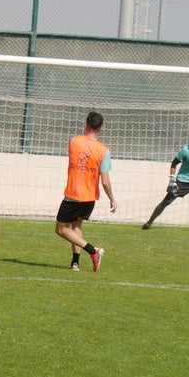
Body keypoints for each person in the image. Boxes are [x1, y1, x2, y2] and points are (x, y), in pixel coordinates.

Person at [55, 111, 116, 271]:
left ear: (85, 125)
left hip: (74, 194)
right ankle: (75, 263)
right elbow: (105, 181)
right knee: (77, 226)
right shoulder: (104, 151)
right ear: (101, 128)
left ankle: (93, 250)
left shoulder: (73, 142)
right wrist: (112, 199)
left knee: (61, 229)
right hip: (89, 197)